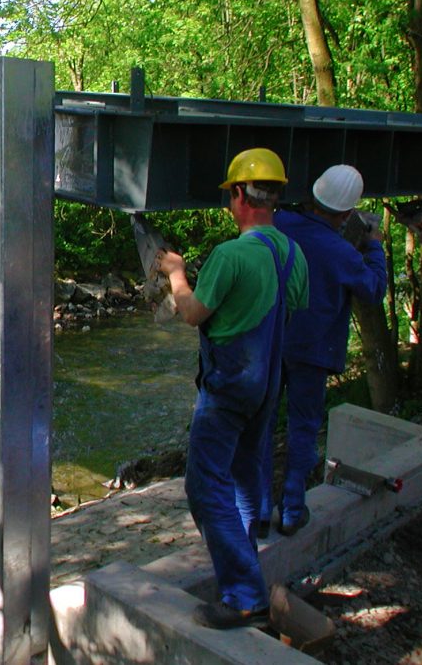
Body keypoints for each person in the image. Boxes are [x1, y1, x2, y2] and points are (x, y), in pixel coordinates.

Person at [158, 147, 308, 629]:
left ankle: (245, 596)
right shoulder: (291, 252)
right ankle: (246, 557)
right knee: (245, 478)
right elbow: (295, 309)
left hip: (227, 388)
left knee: (204, 486)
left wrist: (175, 274)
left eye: (231, 193)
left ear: (240, 194)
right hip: (267, 386)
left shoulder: (230, 255)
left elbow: (192, 313)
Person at [262, 164, 387, 536]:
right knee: (303, 429)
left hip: (272, 342)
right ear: (348, 213)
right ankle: (291, 511)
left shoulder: (278, 224)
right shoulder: (343, 253)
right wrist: (375, 243)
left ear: (313, 194)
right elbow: (375, 290)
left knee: (262, 424)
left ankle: (255, 513)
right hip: (313, 351)